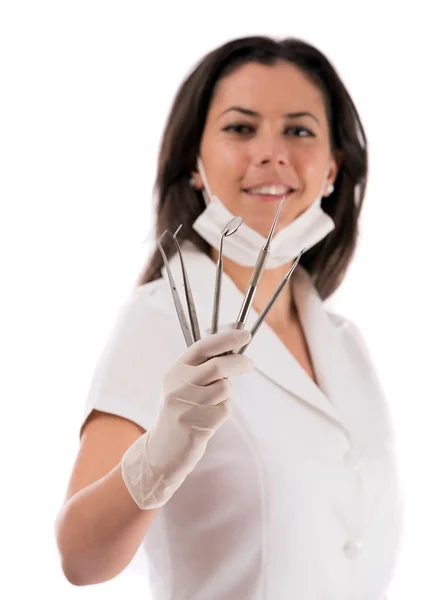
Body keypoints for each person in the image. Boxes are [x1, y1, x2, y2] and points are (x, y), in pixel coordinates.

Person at [54, 36, 403, 599]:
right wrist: (159, 456)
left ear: (333, 167)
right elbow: (80, 557)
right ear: (195, 163)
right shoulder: (160, 319)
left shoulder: (345, 344)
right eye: (241, 128)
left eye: (300, 129)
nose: (271, 152)